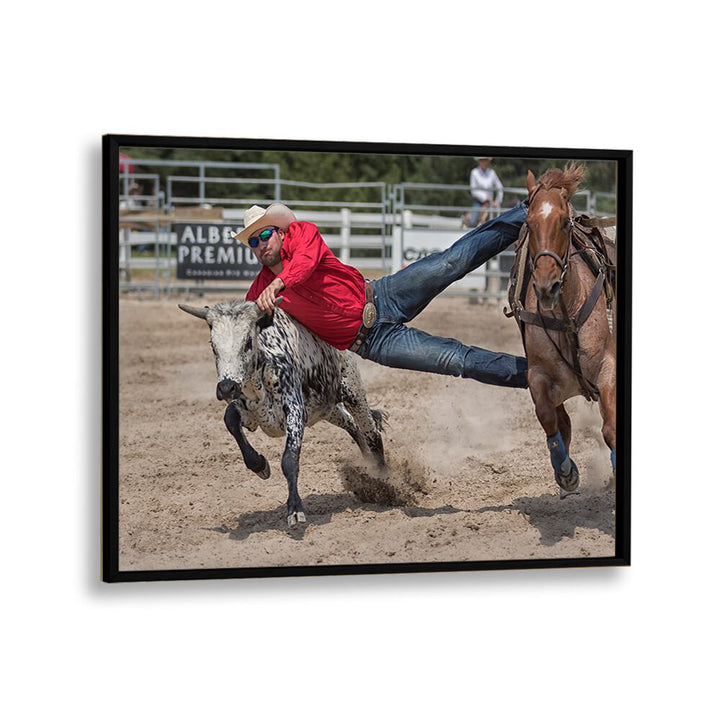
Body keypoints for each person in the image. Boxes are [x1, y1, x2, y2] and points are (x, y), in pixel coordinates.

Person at [232, 201, 528, 389]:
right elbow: (240, 328)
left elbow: (305, 264)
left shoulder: (302, 235)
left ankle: (526, 213)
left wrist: (278, 284)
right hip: (374, 343)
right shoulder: (260, 290)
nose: (259, 245)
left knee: (451, 262)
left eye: (264, 235)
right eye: (253, 242)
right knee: (455, 360)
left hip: (384, 294)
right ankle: (536, 377)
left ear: (281, 232)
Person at [469, 157, 503, 227]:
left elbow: (500, 187)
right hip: (478, 201)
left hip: (491, 203)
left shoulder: (492, 173)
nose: (484, 162)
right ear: (479, 161)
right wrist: (485, 198)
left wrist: (497, 200)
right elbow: (473, 190)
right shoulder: (474, 172)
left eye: (485, 160)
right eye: (482, 160)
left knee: (498, 220)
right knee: (473, 221)